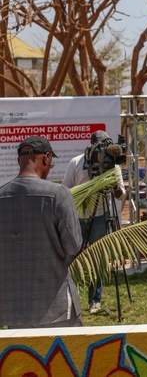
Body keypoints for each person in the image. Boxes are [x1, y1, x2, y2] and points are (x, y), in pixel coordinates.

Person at [0, 136, 83, 328]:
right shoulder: (58, 194)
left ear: (18, 160)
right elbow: (73, 245)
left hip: (13, 311)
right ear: (46, 158)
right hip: (56, 309)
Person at [62, 129, 126, 315]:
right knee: (70, 258)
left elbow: (121, 195)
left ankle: (95, 301)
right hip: (77, 218)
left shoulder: (113, 166)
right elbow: (66, 191)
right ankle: (66, 299)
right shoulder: (76, 162)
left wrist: (114, 187)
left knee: (98, 259)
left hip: (101, 216)